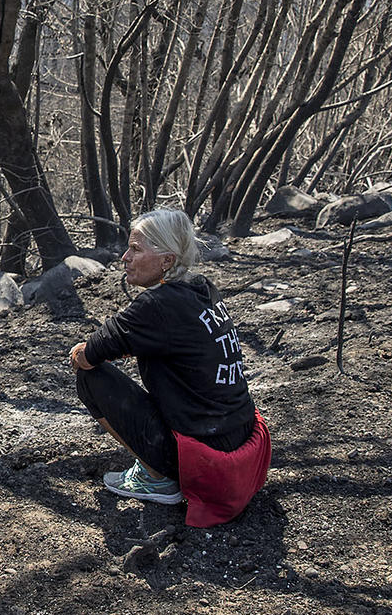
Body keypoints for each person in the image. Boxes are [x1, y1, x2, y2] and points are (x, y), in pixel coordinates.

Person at [69, 209, 271, 528]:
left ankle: (157, 477)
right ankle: (159, 468)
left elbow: (89, 355)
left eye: (136, 249)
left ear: (166, 260)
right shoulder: (203, 288)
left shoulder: (156, 306)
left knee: (89, 378)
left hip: (205, 460)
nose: (124, 257)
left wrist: (83, 351)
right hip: (241, 443)